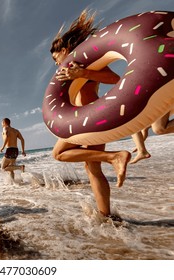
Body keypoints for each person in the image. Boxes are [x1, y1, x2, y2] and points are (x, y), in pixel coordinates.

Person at [49, 9, 131, 219]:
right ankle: (106, 215)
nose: (57, 63)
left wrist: (83, 73)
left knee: (59, 153)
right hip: (88, 118)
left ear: (66, 49)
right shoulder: (69, 71)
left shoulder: (84, 64)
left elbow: (114, 79)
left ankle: (115, 157)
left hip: (91, 116)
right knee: (92, 168)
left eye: (56, 58)